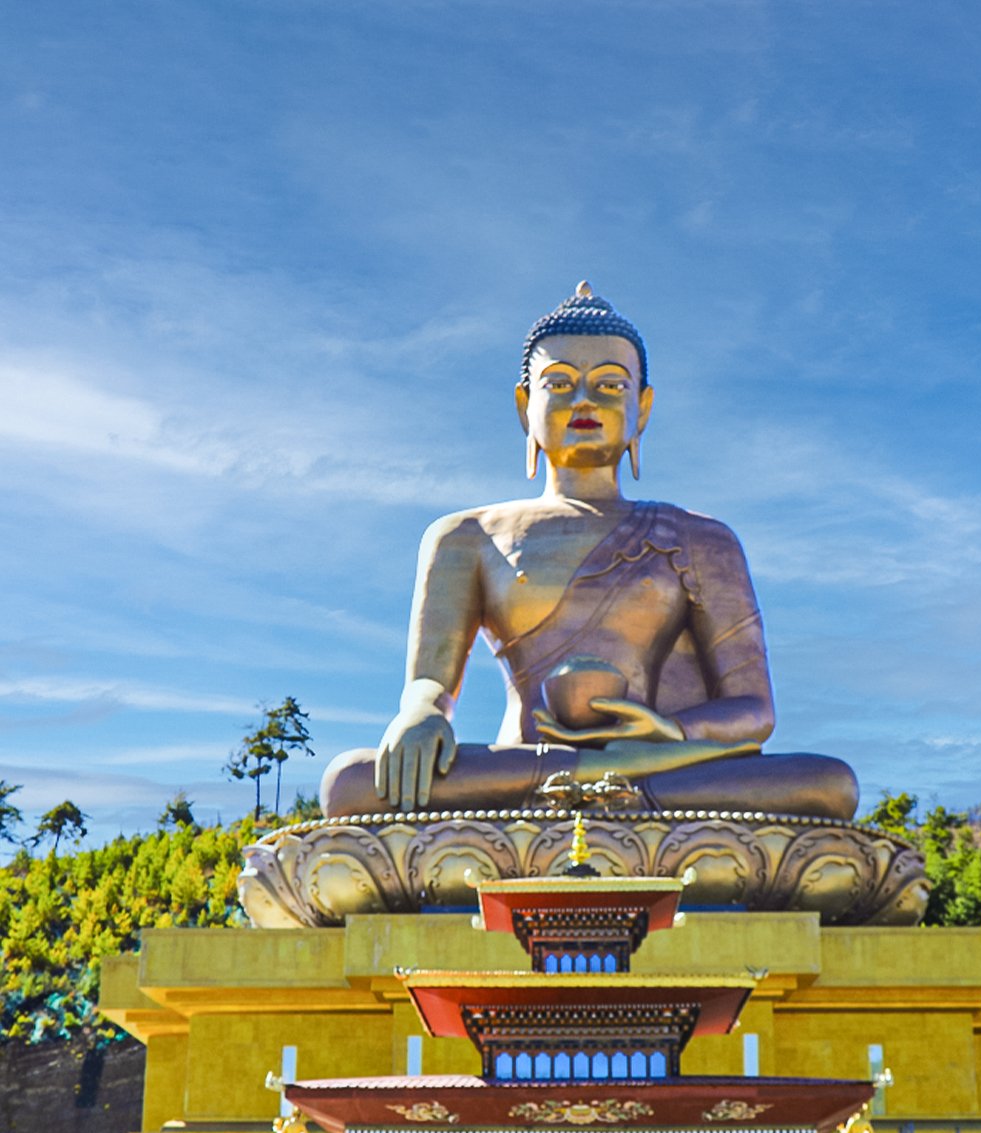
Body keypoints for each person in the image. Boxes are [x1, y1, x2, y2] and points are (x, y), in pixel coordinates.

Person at [321, 283, 857, 821]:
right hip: (529, 766)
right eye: (559, 383)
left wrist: (671, 733)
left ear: (641, 407)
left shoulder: (700, 537)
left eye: (608, 385)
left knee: (827, 784)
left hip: (661, 763)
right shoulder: (466, 536)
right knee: (351, 784)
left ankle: (603, 783)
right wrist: (420, 715)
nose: (583, 401)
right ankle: (595, 783)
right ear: (524, 404)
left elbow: (755, 710)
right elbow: (429, 683)